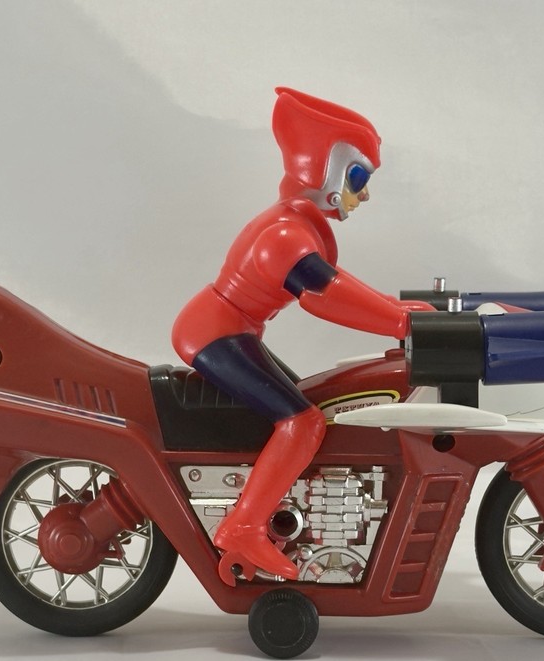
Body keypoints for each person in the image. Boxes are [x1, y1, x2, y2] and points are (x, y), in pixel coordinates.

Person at [172, 87, 433, 584]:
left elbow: (339, 282)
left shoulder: (295, 225)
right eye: (359, 178)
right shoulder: (285, 236)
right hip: (215, 333)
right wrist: (399, 322)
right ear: (326, 172)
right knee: (303, 423)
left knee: (315, 405)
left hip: (233, 329)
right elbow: (325, 295)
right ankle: (243, 526)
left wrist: (396, 309)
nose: (365, 194)